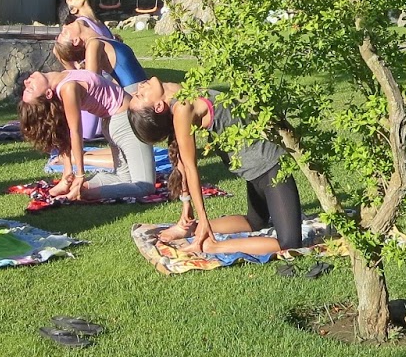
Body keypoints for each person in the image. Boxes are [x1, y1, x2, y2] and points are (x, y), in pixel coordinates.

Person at [127, 76, 300, 258]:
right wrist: (202, 219)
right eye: (140, 96)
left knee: (256, 222)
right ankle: (211, 245)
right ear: (158, 107)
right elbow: (189, 167)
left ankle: (192, 229)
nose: (138, 88)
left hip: (255, 166)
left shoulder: (183, 92)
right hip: (269, 167)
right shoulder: (183, 108)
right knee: (290, 243)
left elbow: (180, 157)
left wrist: (187, 208)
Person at [18, 69, 157, 201]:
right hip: (125, 121)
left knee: (124, 178)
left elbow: (64, 129)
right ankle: (85, 193)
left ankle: (81, 188)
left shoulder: (62, 79)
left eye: (28, 87)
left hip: (115, 121)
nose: (26, 82)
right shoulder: (68, 88)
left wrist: (67, 175)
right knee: (145, 186)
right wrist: (79, 174)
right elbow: (74, 132)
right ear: (48, 94)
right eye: (30, 89)